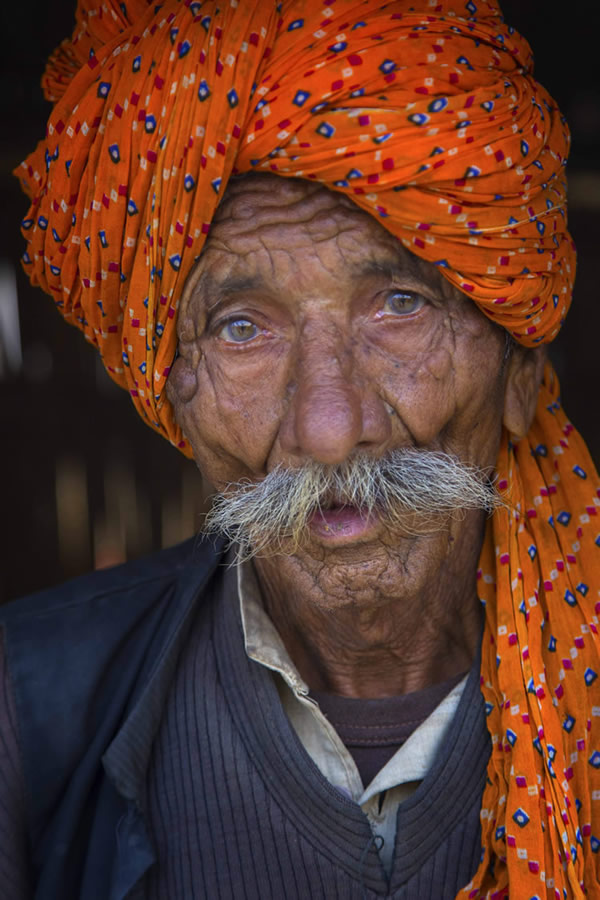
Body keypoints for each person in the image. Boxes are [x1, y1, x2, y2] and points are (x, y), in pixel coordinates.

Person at [2, 1, 599, 898]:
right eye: (242, 328)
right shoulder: (23, 704)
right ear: (171, 395)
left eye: (399, 305)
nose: (329, 428)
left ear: (519, 370)